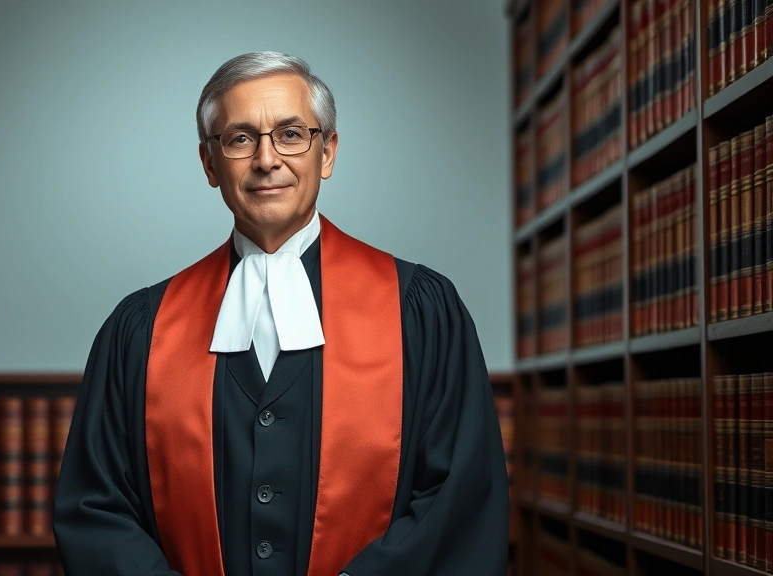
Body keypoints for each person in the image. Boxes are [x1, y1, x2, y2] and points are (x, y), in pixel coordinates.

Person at [53, 51, 510, 576]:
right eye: (240, 139)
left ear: (328, 153)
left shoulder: (419, 313)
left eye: (291, 135)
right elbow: (96, 508)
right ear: (209, 164)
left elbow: (458, 499)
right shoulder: (143, 329)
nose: (267, 159)